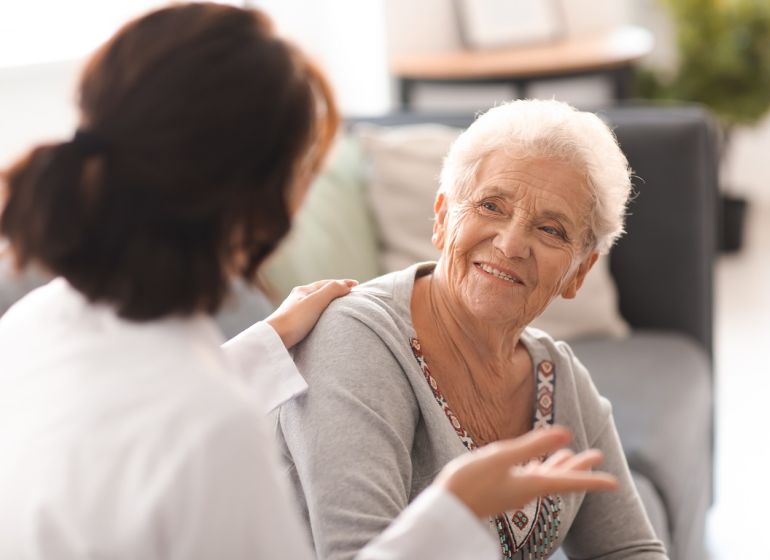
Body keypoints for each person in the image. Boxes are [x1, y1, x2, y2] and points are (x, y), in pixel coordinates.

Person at [0, 5, 619, 560]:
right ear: (265, 201)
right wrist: (453, 512)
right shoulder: (213, 428)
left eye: (551, 230)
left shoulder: (33, 324)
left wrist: (262, 345)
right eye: (307, 166)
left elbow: (129, 429)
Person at [277, 99, 670, 560]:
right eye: (491, 206)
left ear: (579, 273)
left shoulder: (559, 378)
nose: (511, 243)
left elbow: (630, 550)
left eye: (551, 230)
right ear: (442, 219)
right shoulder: (356, 339)